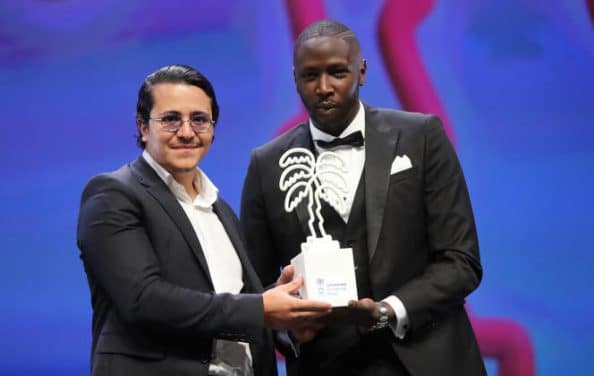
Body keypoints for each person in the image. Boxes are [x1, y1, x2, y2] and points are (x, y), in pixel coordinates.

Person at [240, 20, 485, 376]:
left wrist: (389, 311)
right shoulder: (266, 164)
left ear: (362, 71)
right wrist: (289, 329)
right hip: (324, 364)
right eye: (310, 76)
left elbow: (461, 260)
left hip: (428, 360)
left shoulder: (422, 136)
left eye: (337, 72)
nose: (324, 88)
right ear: (295, 79)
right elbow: (255, 289)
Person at [76, 64, 332, 376]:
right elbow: (143, 301)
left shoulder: (218, 207)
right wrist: (261, 308)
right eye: (171, 120)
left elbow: (224, 315)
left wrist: (285, 320)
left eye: (199, 120)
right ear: (143, 127)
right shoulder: (112, 194)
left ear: (212, 128)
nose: (186, 132)